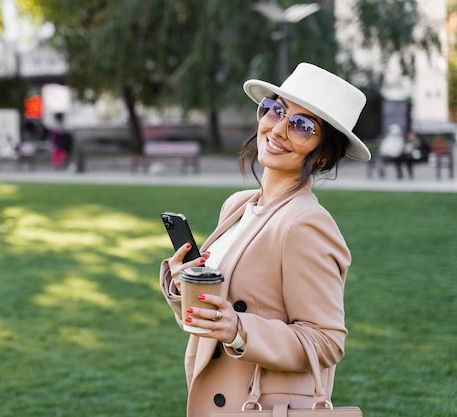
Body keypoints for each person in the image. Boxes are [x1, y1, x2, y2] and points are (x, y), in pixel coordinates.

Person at [159, 63, 371, 416]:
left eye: (303, 126)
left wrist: (240, 330)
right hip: (219, 399)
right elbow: (215, 314)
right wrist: (187, 284)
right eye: (276, 109)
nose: (279, 129)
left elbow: (326, 341)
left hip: (263, 407)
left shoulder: (306, 224)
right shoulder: (239, 205)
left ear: (322, 154)